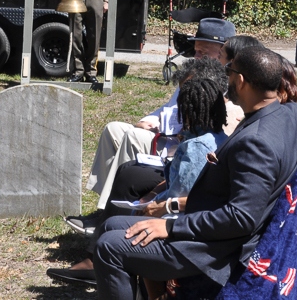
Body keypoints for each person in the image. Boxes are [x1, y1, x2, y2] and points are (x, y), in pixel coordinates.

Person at [93, 46, 297, 299]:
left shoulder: (255, 143)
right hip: (208, 222)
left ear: (240, 80)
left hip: (214, 247)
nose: (226, 77)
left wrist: (171, 227)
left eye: (229, 71)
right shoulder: (294, 114)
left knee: (109, 247)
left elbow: (241, 218)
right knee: (110, 225)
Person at [46, 62, 230, 289]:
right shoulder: (212, 138)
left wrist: (154, 205)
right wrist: (152, 195)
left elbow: (181, 194)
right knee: (113, 219)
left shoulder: (196, 147)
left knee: (111, 239)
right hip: (181, 214)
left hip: (179, 225)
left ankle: (109, 269)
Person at [71, 18, 235, 230]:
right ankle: (107, 205)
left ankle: (108, 215)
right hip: (164, 136)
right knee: (114, 129)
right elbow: (168, 108)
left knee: (132, 138)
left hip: (176, 145)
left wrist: (165, 128)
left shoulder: (219, 85)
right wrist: (148, 120)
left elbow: (203, 128)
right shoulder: (193, 73)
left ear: (222, 52)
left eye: (203, 52)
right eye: (195, 51)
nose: (196, 56)